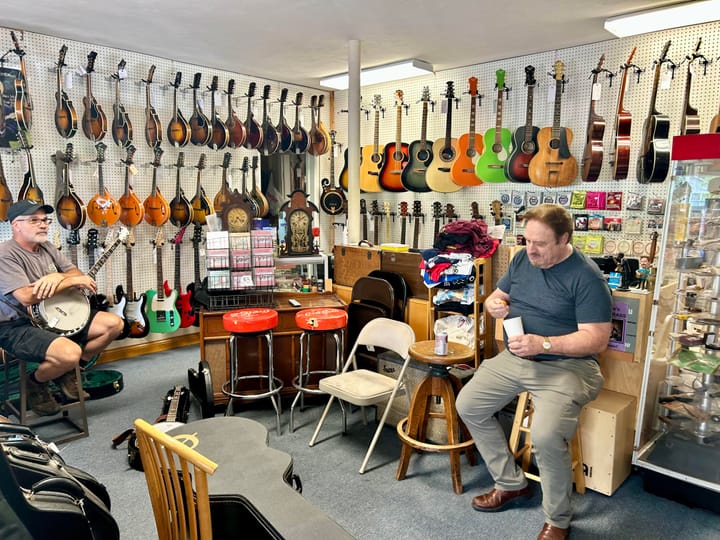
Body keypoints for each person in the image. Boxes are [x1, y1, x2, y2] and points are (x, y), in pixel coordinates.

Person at [456, 204, 612, 540]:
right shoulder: (522, 259)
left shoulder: (587, 277)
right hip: (519, 357)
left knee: (544, 436)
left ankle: (558, 519)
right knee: (468, 404)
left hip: (569, 367)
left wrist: (543, 345)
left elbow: (597, 340)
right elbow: (496, 298)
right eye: (527, 240)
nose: (531, 250)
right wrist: (492, 305)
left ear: (564, 239)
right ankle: (511, 484)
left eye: (540, 243)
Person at [0, 200, 124, 416]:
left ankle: (70, 372)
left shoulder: (47, 248)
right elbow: (26, 297)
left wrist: (58, 277)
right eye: (34, 220)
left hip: (52, 315)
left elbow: (78, 275)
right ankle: (35, 383)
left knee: (114, 324)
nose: (43, 225)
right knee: (70, 353)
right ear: (15, 224)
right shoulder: (5, 255)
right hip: (16, 326)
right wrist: (64, 280)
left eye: (45, 220)